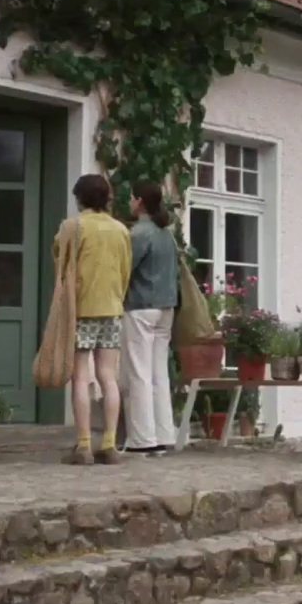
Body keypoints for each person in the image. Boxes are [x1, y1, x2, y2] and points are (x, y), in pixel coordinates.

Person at [56, 173, 131, 465]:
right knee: (108, 376)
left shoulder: (72, 227)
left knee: (81, 376)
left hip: (81, 309)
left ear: (79, 198)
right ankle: (110, 444)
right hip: (112, 308)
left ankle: (83, 445)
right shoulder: (121, 230)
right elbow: (125, 271)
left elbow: (59, 262)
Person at [121, 180, 180, 455]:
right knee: (159, 373)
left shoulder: (139, 233)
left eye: (132, 198)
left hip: (141, 306)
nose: (130, 202)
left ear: (140, 202)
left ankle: (142, 439)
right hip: (166, 307)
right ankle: (165, 434)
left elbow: (125, 270)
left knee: (139, 373)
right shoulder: (166, 233)